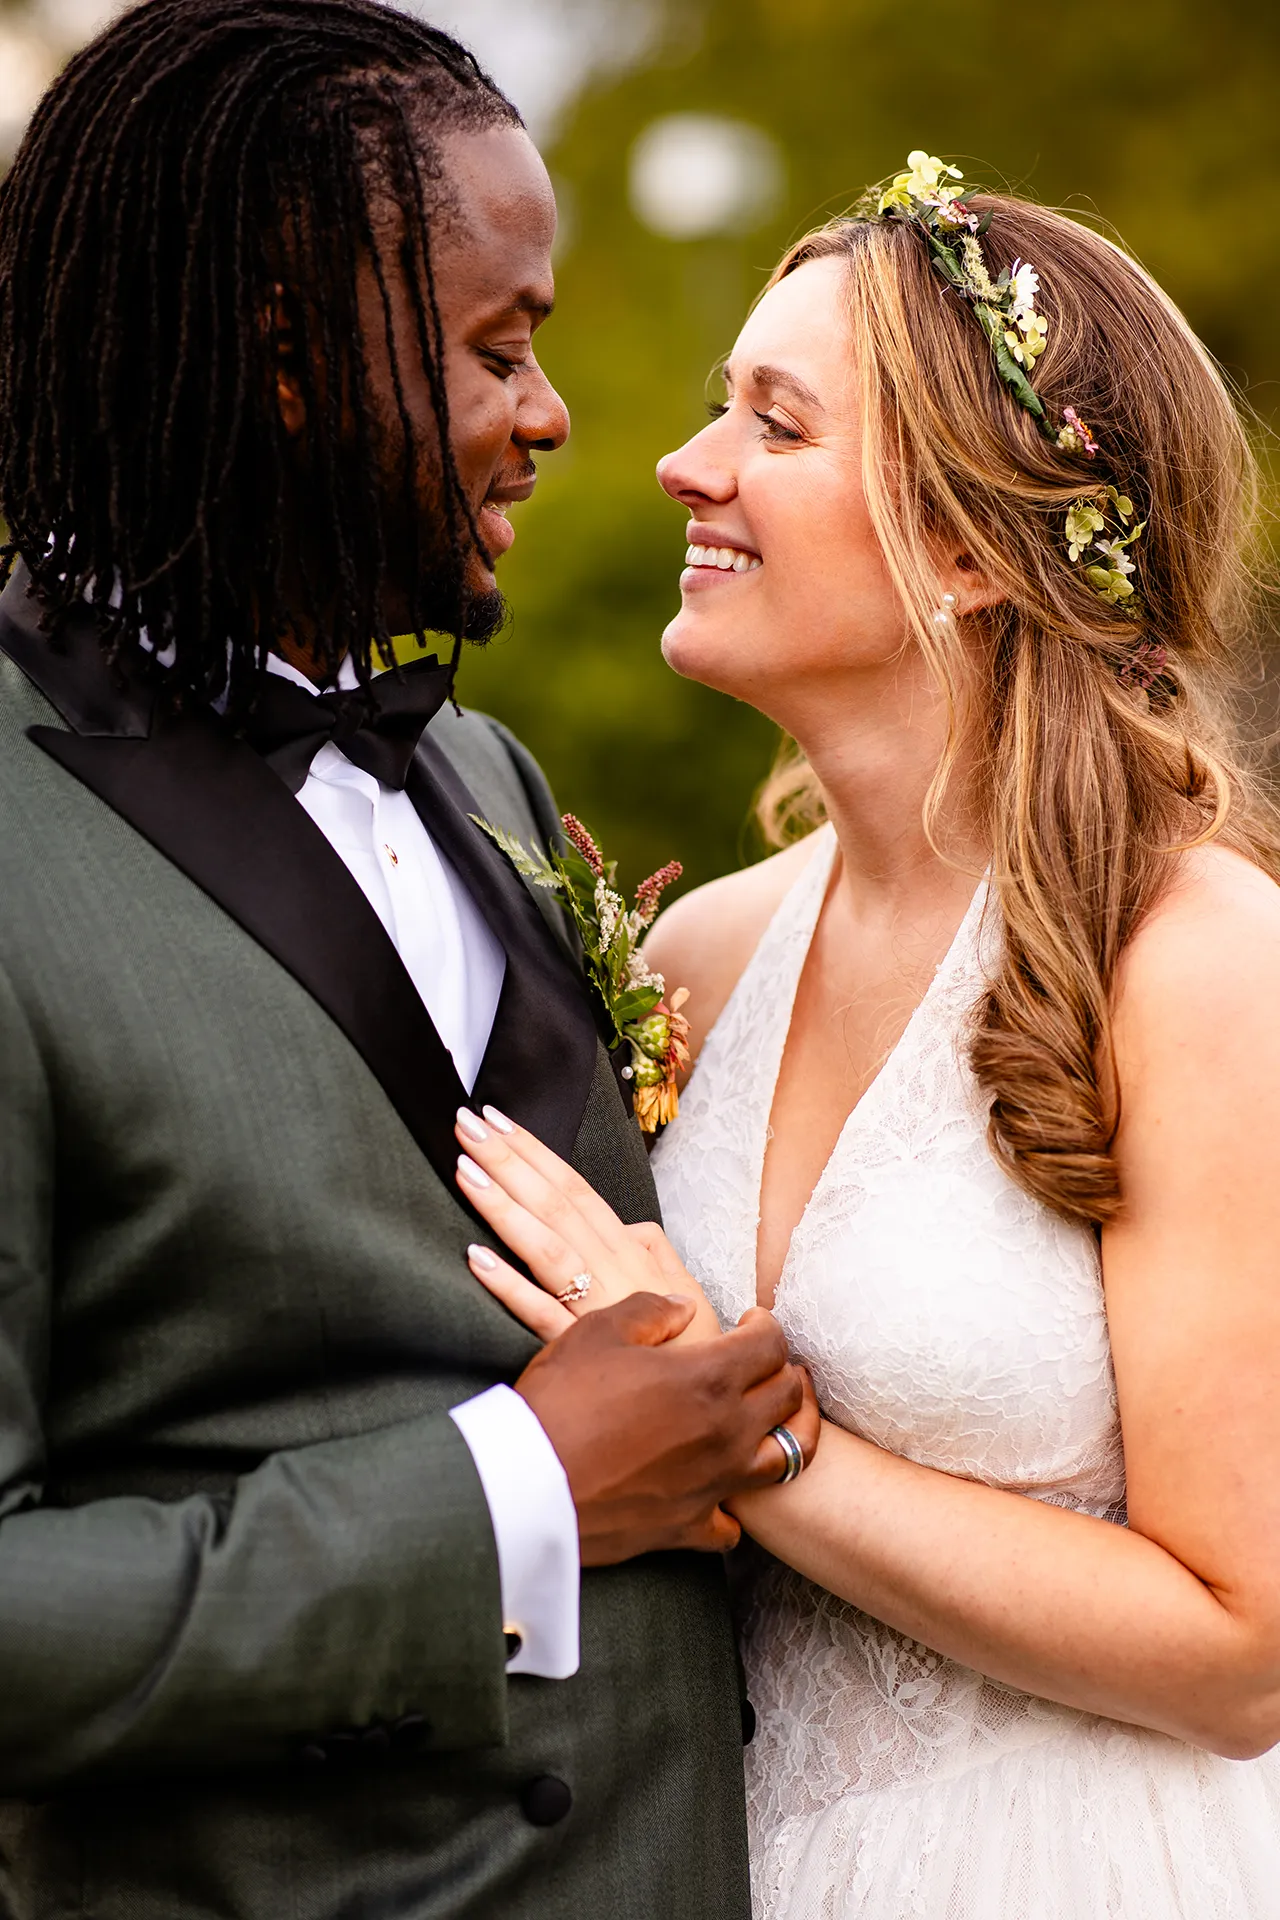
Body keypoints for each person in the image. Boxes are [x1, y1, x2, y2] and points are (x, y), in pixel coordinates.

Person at [0, 4, 818, 1915]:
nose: (549, 415)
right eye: (496, 349)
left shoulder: (482, 771)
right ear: (287, 357)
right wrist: (506, 1496)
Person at [456, 153, 1280, 1916]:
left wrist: (725, 1416)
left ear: (972, 545)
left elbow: (1242, 1650)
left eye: (775, 422)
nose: (686, 464)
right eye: (713, 409)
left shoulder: (1199, 962)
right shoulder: (694, 956)